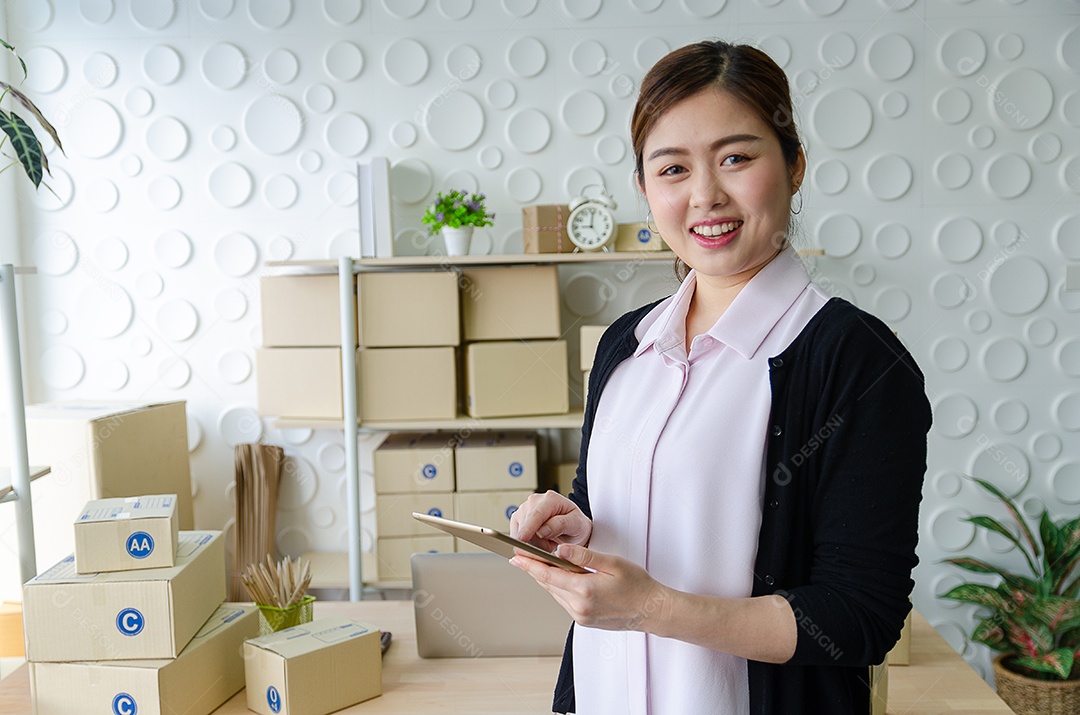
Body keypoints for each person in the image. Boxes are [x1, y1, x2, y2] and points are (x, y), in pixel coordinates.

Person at [509, 39, 932, 715]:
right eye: (672, 168)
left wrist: (651, 608)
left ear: (794, 164)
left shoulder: (857, 363)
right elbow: (608, 507)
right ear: (646, 190)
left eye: (736, 157)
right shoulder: (626, 344)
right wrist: (571, 527)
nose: (706, 194)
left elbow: (859, 617)